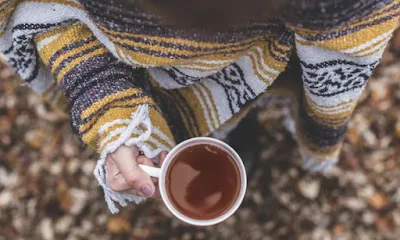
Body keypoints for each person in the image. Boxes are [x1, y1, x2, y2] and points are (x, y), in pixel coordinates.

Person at [0, 0, 398, 213]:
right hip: (122, 68)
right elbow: (47, 13)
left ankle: (239, 126)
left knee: (243, 107)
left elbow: (344, 51)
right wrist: (112, 111)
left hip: (260, 65)